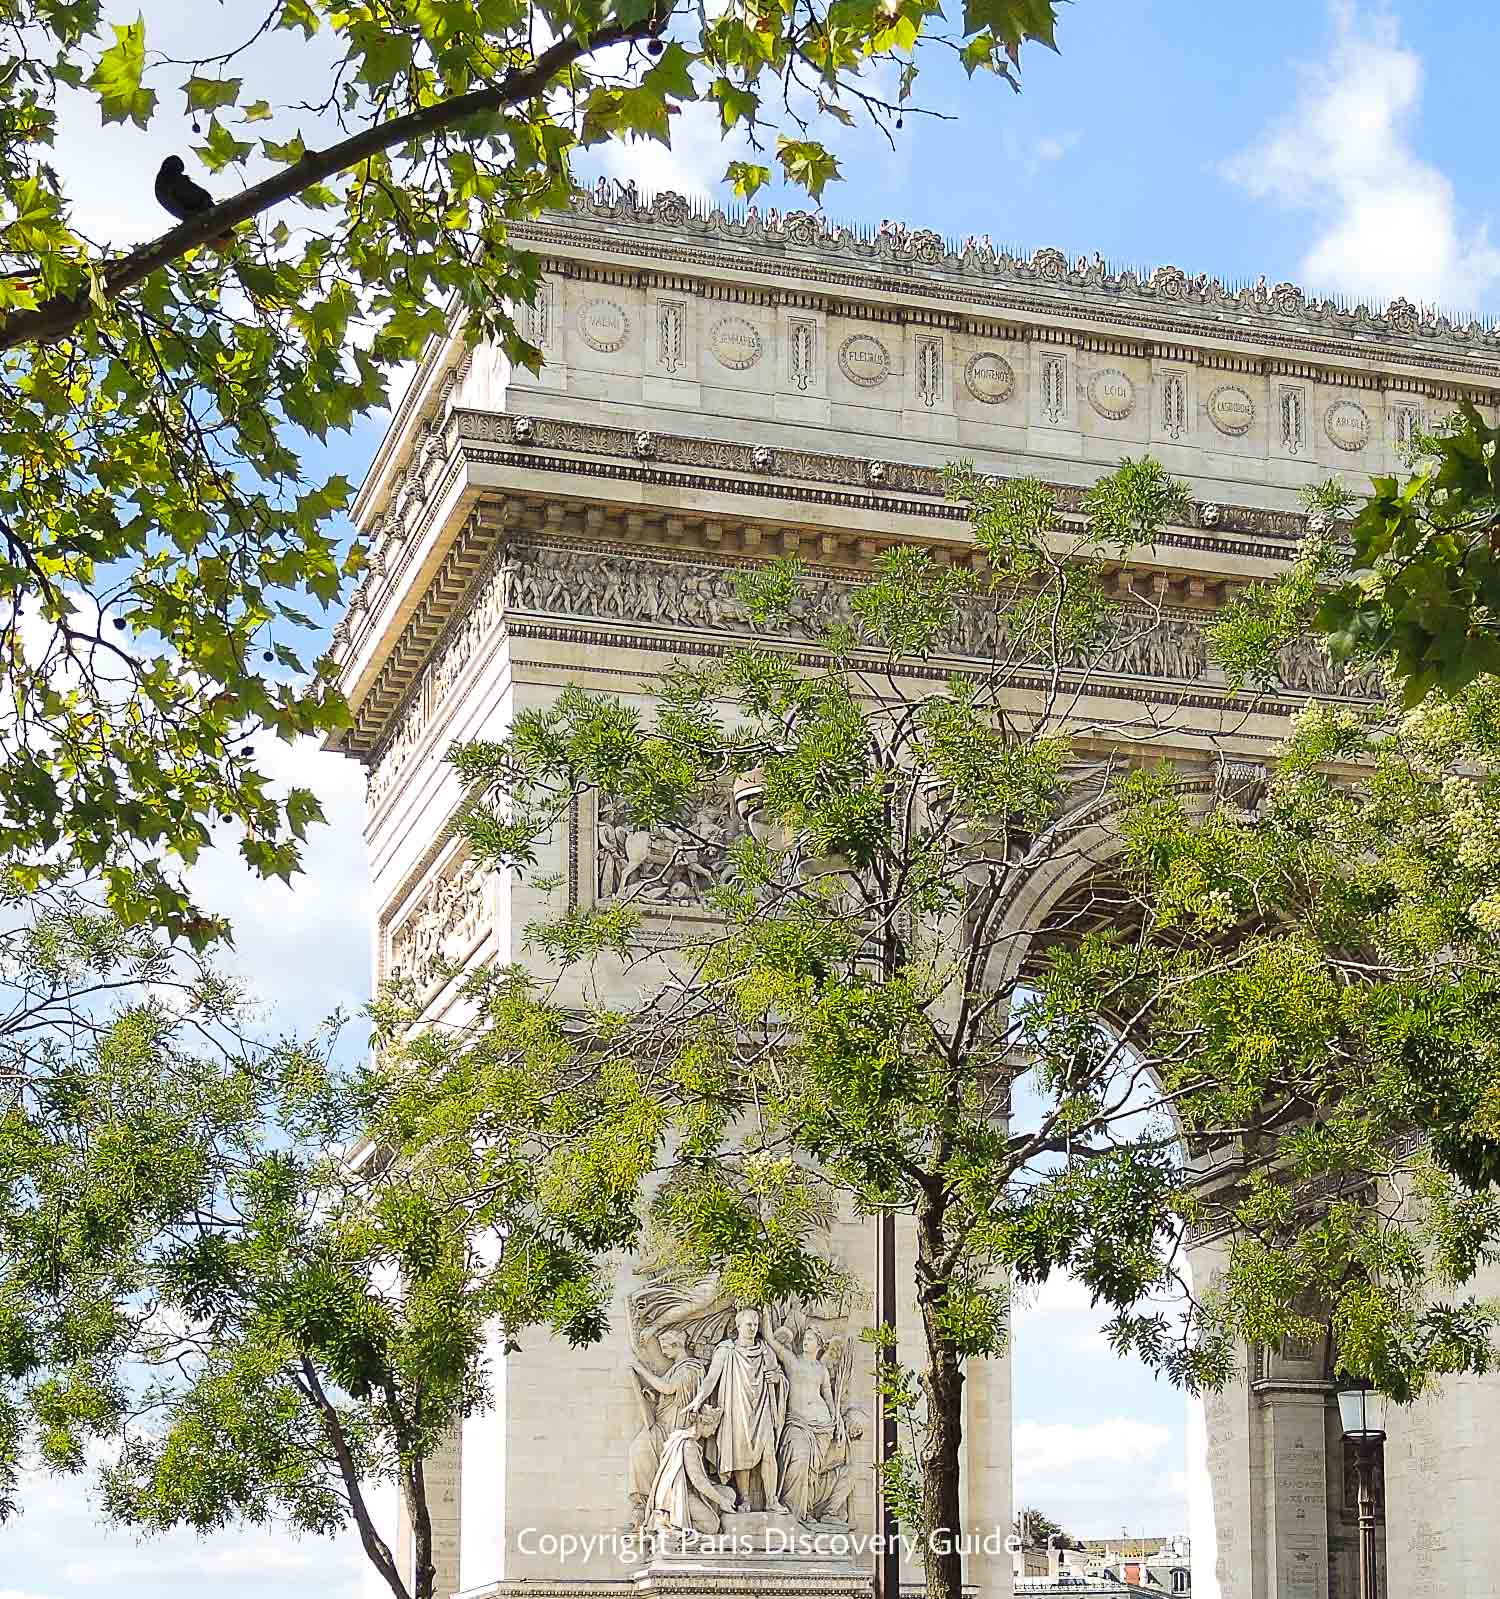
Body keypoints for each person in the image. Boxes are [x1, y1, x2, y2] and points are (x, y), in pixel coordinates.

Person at [686, 1306, 789, 1513]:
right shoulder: (726, 1350)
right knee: (741, 1455)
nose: (752, 1328)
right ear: (738, 1325)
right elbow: (711, 1378)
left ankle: (771, 1500)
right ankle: (745, 1499)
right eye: (748, 1324)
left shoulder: (765, 1350)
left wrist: (777, 1379)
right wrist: (698, 1400)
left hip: (762, 1408)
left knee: (768, 1453)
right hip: (737, 1408)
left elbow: (779, 1375)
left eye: (756, 1324)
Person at [626, 1328, 706, 1529]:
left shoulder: (690, 1368)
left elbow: (669, 1388)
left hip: (674, 1427)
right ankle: (645, 1504)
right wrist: (655, 1399)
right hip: (664, 1422)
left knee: (641, 1449)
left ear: (676, 1345)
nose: (662, 1352)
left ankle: (652, 1507)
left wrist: (640, 1369)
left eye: (664, 1347)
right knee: (639, 1450)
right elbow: (669, 1394)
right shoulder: (677, 1369)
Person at [648, 1406, 738, 1537]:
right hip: (678, 1493)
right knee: (712, 1524)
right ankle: (673, 1528)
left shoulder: (684, 1440)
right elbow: (698, 1481)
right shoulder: (688, 1445)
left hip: (686, 1489)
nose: (713, 1432)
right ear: (704, 1423)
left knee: (729, 1493)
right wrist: (721, 1501)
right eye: (714, 1427)